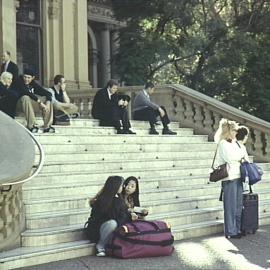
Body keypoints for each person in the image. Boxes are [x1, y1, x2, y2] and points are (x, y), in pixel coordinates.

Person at [214, 118, 249, 239]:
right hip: (229, 178)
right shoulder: (223, 143)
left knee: (238, 205)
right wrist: (240, 157)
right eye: (234, 130)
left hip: (239, 176)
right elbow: (231, 158)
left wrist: (239, 157)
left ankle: (237, 228)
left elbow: (244, 156)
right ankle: (231, 231)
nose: (236, 132)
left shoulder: (234, 143)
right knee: (230, 207)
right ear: (228, 130)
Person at [86, 176, 137, 257]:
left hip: (108, 228)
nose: (123, 187)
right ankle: (100, 246)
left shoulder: (118, 198)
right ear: (115, 186)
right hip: (96, 230)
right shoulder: (103, 200)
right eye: (121, 185)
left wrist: (130, 215)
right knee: (112, 223)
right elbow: (113, 216)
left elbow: (122, 214)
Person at [14, 68, 55, 133]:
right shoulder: (19, 81)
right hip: (19, 104)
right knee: (25, 97)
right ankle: (31, 125)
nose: (26, 79)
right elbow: (25, 92)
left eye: (28, 77)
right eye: (25, 77)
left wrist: (48, 102)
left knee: (46, 98)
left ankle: (47, 126)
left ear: (33, 77)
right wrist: (39, 101)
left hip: (29, 105)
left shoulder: (33, 83)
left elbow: (48, 93)